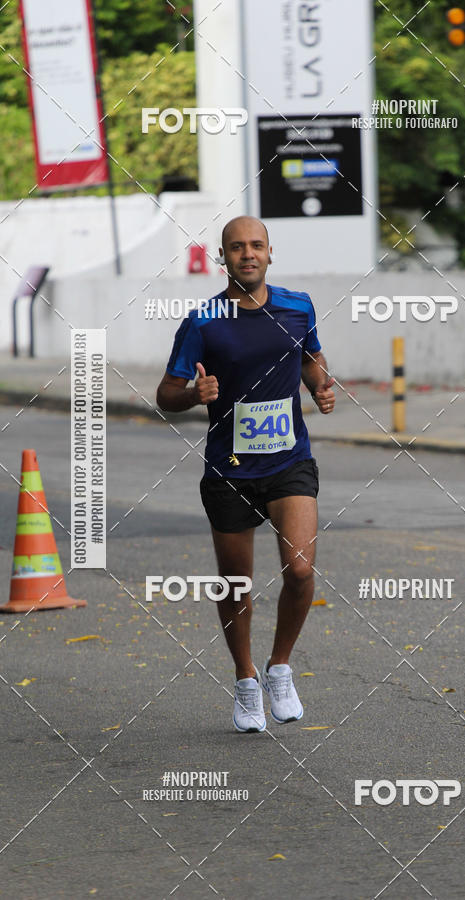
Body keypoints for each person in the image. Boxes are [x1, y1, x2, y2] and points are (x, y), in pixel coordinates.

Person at [156, 216, 335, 733]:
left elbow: (313, 361)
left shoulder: (297, 307)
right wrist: (194, 395)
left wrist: (321, 387)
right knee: (237, 585)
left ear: (270, 253)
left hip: (289, 461)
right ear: (224, 256)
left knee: (300, 571)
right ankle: (245, 679)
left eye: (256, 245)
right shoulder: (203, 321)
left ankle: (280, 666)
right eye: (237, 247)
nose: (248, 254)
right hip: (229, 468)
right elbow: (165, 395)